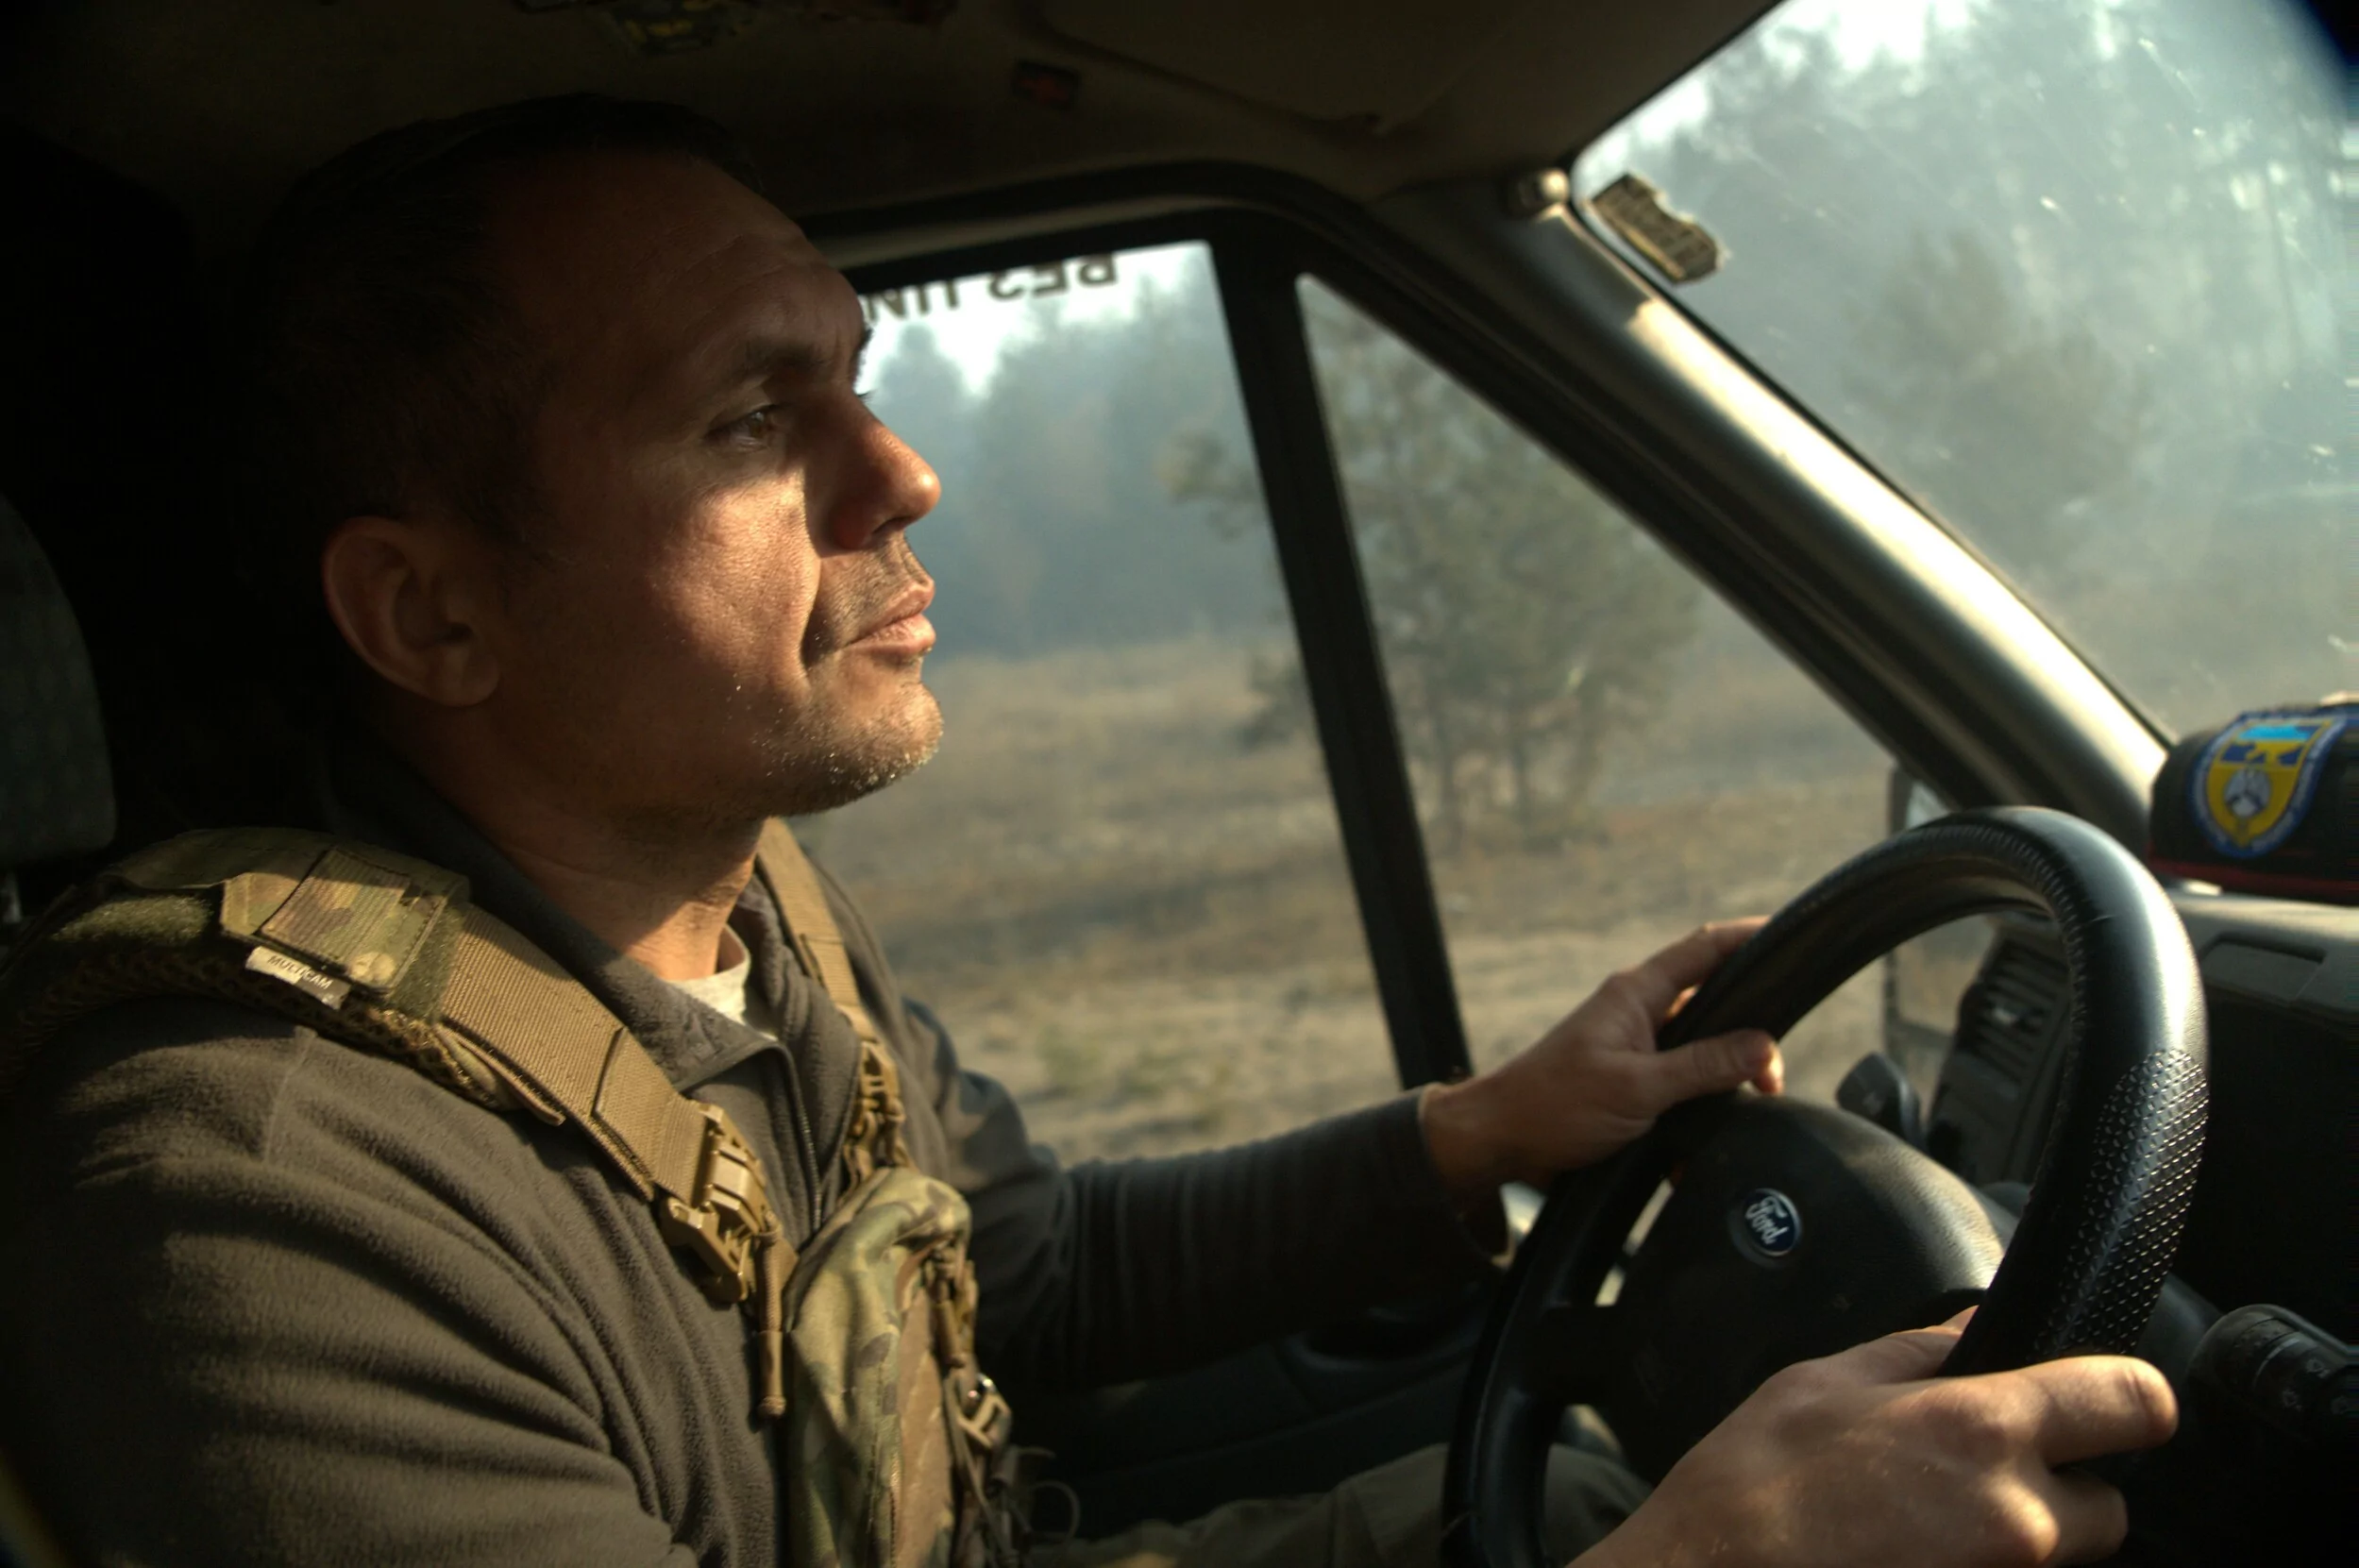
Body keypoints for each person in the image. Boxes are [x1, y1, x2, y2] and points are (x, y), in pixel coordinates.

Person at [0, 97, 2175, 1568]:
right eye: (753, 418)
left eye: (855, 378)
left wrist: (1484, 1128)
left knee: (1586, 1485)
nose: (900, 475)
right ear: (432, 612)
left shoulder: (730, 903)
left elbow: (1027, 1269)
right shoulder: (252, 1205)